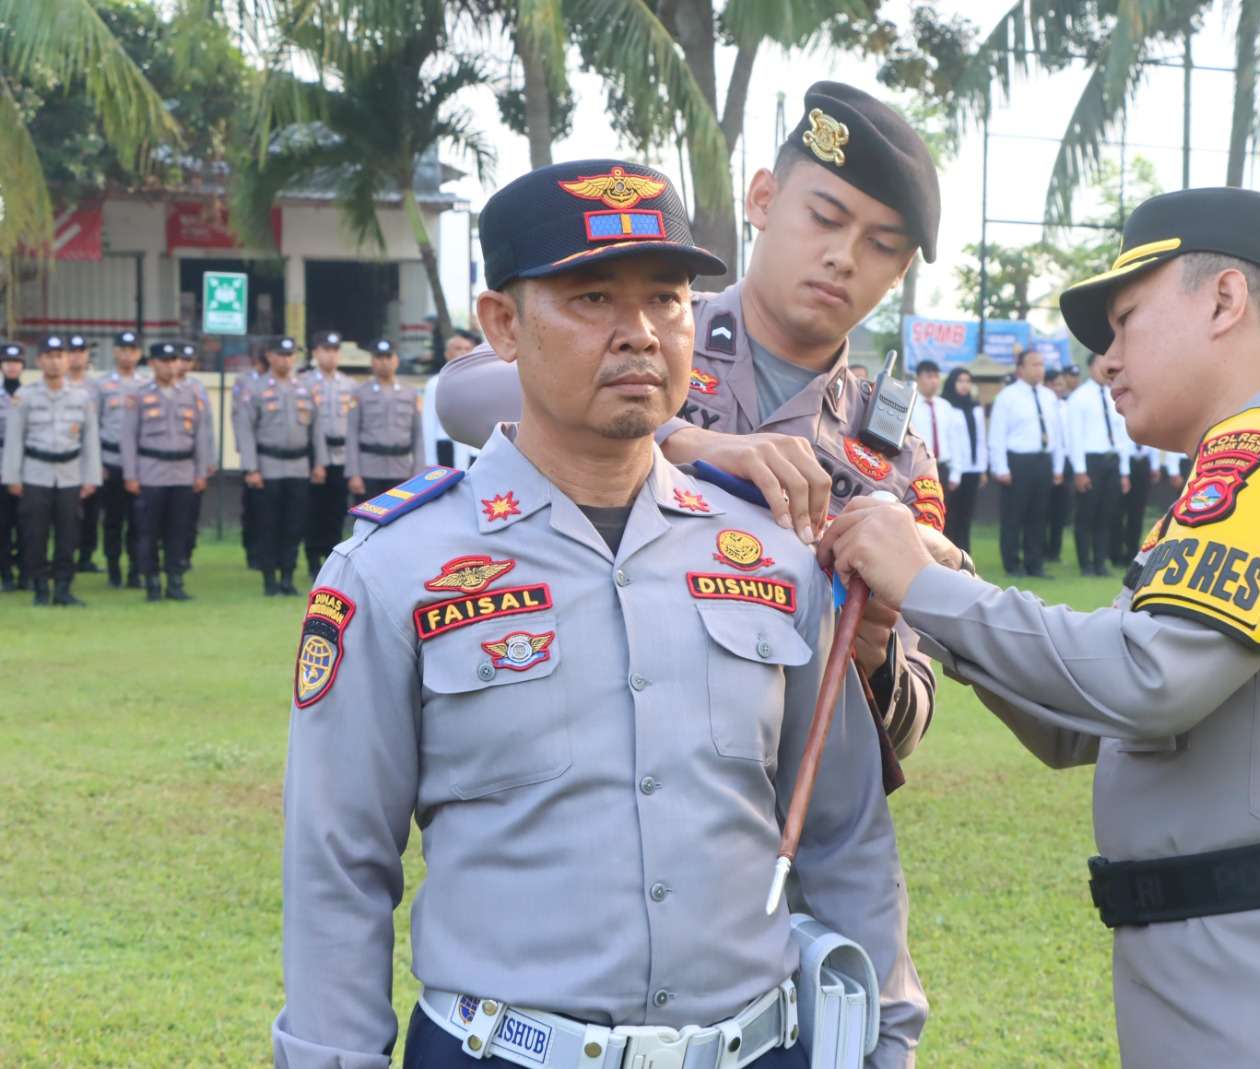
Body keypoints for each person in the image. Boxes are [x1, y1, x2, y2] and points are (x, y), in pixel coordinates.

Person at [274, 158, 923, 1069]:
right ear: (502, 322)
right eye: (591, 299)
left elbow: (846, 832)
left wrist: (884, 1042)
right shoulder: (394, 573)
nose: (642, 335)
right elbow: (338, 868)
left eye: (667, 299)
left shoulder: (778, 558)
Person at [820, 187, 1260, 1068]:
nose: (1107, 361)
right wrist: (946, 585)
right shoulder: (1237, 483)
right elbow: (1083, 720)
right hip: (1236, 978)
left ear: (1226, 301)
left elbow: (1143, 681)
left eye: (1125, 323)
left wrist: (930, 585)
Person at [431, 80, 970, 763]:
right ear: (764, 200)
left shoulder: (896, 456)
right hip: (589, 737)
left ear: (899, 274)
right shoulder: (654, 325)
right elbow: (464, 391)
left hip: (758, 784)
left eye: (882, 245)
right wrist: (683, 440)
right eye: (826, 218)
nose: (844, 257)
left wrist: (873, 653)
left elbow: (908, 722)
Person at [2, 334, 100, 606]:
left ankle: (64, 588)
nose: (55, 362)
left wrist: (90, 477)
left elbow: (90, 441)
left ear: (68, 360)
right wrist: (12, 477)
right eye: (49, 357)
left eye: (60, 356)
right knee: (35, 534)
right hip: (35, 474)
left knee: (69, 534)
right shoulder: (24, 396)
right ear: (39, 360)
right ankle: (40, 588)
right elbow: (14, 440)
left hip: (69, 474)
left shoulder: (82, 397)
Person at [235, 335, 327, 595]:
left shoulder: (306, 389)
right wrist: (251, 468)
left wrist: (319, 463)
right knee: (267, 524)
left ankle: (287, 576)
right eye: (280, 354)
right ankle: (269, 579)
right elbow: (246, 430)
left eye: (290, 355)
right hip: (268, 465)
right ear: (270, 357)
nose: (285, 359)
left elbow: (316, 430)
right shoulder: (255, 389)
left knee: (294, 524)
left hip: (298, 465)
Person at [122, 341, 210, 601]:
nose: (171, 365)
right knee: (149, 531)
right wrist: (131, 474)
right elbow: (128, 437)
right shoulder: (138, 394)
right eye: (165, 360)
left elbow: (201, 434)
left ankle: (175, 581)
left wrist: (201, 471)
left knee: (178, 530)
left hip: (183, 472)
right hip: (151, 472)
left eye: (174, 360)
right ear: (152, 364)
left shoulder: (191, 393)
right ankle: (150, 581)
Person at [988, 349, 1065, 577]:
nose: (1039, 369)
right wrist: (1000, 467)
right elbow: (997, 435)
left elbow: (1057, 435)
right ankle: (1012, 564)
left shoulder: (1049, 397)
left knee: (1039, 515)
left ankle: (1035, 563)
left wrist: (1057, 467)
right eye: (1034, 364)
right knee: (1014, 515)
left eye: (1041, 364)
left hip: (1043, 460)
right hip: (1017, 462)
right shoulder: (1007, 397)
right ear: (1020, 369)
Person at [1065, 352, 1132, 577]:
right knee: (1086, 515)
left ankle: (1101, 562)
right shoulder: (1079, 397)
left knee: (1106, 515)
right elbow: (1074, 437)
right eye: (1104, 364)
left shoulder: (1114, 395)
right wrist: (1080, 471)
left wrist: (1124, 471)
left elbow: (1122, 436)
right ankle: (1086, 564)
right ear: (1093, 366)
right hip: (1090, 461)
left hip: (1111, 460)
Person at [93, 330, 149, 588]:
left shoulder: (146, 385)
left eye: (133, 350)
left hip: (139, 464)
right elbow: (92, 426)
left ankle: (136, 571)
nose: (128, 355)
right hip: (110, 460)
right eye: (123, 350)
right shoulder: (101, 385)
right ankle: (114, 570)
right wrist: (97, 463)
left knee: (139, 522)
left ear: (139, 353)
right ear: (115, 352)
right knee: (114, 521)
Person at [301, 330, 357, 574]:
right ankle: (313, 558)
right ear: (316, 353)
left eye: (335, 350)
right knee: (313, 509)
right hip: (315, 455)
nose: (331, 355)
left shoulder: (350, 384)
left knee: (336, 509)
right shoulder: (303, 383)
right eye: (326, 350)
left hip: (342, 454)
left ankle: (332, 559)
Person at [346, 339, 425, 501]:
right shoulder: (360, 392)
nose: (384, 362)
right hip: (369, 469)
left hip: (401, 469)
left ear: (396, 360)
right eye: (379, 357)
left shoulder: (410, 393)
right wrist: (354, 473)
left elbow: (418, 435)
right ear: (372, 361)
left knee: (399, 522)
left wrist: (418, 471)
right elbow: (352, 434)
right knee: (368, 522)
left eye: (388, 357)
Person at [60, 333, 104, 573]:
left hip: (89, 457)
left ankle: (86, 557)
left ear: (87, 356)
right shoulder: (56, 382)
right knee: (63, 512)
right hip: (62, 455)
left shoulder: (98, 388)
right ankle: (62, 556)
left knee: (90, 511)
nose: (77, 356)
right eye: (72, 352)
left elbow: (104, 425)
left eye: (81, 352)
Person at [174, 340, 215, 575]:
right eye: (180, 359)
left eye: (188, 360)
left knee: (189, 515)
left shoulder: (197, 388)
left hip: (191, 463)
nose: (183, 364)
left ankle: (184, 555)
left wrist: (209, 460)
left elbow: (206, 427)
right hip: (163, 465)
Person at [233, 345, 272, 571]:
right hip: (254, 452)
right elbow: (239, 417)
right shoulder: (245, 382)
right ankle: (252, 550)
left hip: (273, 456)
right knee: (253, 507)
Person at [940, 367, 986, 552]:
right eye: (960, 381)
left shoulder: (975, 407)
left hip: (973, 468)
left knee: (967, 514)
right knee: (951, 514)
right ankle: (950, 553)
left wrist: (982, 468)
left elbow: (981, 437)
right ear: (952, 383)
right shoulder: (946, 406)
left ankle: (966, 552)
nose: (965, 385)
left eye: (968, 381)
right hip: (954, 468)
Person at [422, 328, 482, 470]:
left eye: (467, 348)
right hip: (445, 447)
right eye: (458, 348)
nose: (463, 352)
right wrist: (430, 461)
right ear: (447, 354)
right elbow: (428, 423)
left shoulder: (481, 382)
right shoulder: (436, 383)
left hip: (474, 451)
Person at [907, 359, 964, 493]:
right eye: (929, 377)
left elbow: (954, 439)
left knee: (945, 511)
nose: (934, 381)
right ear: (918, 378)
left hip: (943, 468)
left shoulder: (945, 406)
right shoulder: (909, 404)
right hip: (918, 468)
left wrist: (956, 472)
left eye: (936, 377)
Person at [1042, 366, 1076, 564]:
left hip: (1066, 463)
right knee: (1043, 510)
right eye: (1055, 384)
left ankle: (1054, 551)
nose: (1059, 388)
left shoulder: (1067, 406)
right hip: (1050, 462)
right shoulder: (1046, 406)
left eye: (1062, 384)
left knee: (1060, 511)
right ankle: (1041, 549)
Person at [0, 341, 27, 591]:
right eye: (7, 362)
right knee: (3, 524)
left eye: (16, 362)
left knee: (26, 523)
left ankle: (26, 573)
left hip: (24, 468)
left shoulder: (29, 395)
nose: (11, 366)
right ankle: (5, 573)